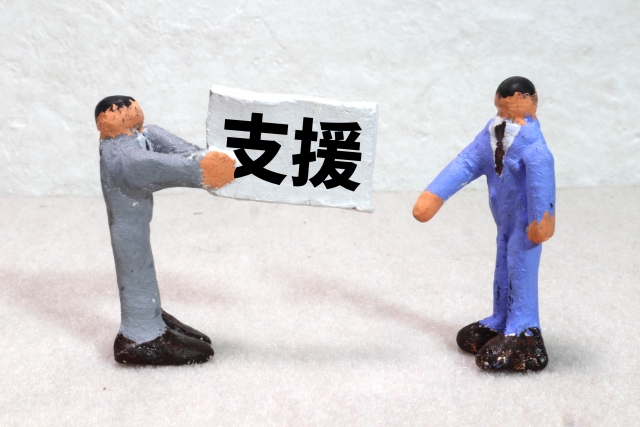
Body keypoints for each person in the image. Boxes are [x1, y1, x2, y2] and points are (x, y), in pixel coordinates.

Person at [412, 77, 555, 372]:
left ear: (532, 101)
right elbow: (466, 162)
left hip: (525, 224)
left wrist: (544, 219)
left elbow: (542, 174)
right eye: (505, 103)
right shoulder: (492, 133)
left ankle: (525, 333)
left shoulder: (534, 146)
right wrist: (433, 196)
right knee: (503, 265)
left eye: (518, 102)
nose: (510, 107)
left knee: (521, 267)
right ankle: (501, 320)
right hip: (503, 222)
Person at [96, 95, 236, 365]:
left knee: (140, 267)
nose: (131, 112)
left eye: (132, 108)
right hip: (128, 230)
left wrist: (199, 155)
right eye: (124, 111)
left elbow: (168, 144)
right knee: (136, 267)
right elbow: (163, 167)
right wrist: (203, 168)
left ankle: (149, 315)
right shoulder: (124, 158)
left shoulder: (137, 137)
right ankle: (140, 334)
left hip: (135, 223)